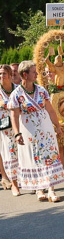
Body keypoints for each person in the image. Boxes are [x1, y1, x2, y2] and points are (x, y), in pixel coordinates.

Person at [8, 60, 64, 201]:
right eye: (34, 72)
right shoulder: (16, 94)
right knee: (34, 157)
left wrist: (57, 126)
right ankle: (39, 188)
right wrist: (17, 133)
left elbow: (51, 110)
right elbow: (14, 116)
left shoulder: (41, 90)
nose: (37, 74)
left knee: (49, 155)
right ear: (25, 75)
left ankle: (51, 190)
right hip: (29, 131)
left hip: (46, 129)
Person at [0, 65, 21, 196]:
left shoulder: (17, 89)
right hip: (4, 127)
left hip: (18, 125)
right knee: (9, 153)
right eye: (0, 74)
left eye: (3, 74)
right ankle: (13, 183)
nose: (1, 76)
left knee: (21, 153)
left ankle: (24, 179)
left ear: (10, 75)